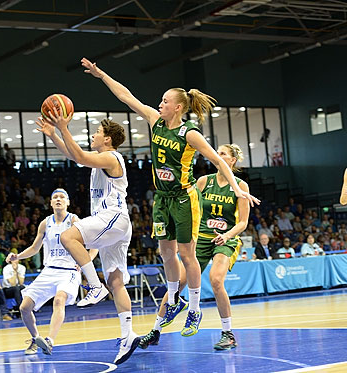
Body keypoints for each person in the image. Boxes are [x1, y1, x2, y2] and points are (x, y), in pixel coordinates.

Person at [80, 58, 259, 340]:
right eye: (160, 101)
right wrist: (101, 75)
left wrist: (237, 189)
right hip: (162, 198)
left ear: (178, 106)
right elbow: (126, 97)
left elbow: (216, 160)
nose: (159, 104)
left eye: (165, 101)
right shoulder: (155, 121)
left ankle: (195, 310)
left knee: (187, 254)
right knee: (165, 253)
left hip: (184, 198)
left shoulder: (190, 133)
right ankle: (176, 298)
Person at [37, 111, 138, 365]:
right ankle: (128, 335)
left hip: (112, 217)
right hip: (114, 224)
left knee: (68, 236)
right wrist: (54, 135)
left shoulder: (111, 157)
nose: (93, 135)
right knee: (116, 281)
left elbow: (80, 155)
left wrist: (63, 127)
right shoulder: (100, 159)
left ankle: (94, 286)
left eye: (97, 133)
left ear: (107, 139)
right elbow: (75, 155)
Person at [139, 144, 250, 351]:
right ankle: (155, 331)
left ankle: (228, 334)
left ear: (233, 160)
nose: (218, 155)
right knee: (177, 283)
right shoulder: (203, 182)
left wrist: (226, 235)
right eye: (217, 152)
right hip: (200, 239)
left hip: (225, 240)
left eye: (223, 153)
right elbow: (189, 209)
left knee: (216, 280)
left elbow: (243, 222)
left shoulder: (241, 186)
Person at [6, 188, 90, 355]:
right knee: (24, 307)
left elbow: (90, 244)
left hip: (68, 271)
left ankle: (50, 341)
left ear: (68, 202)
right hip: (49, 270)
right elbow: (35, 248)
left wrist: (84, 263)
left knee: (59, 300)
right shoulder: (45, 223)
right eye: (55, 197)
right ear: (51, 203)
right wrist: (18, 257)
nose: (58, 199)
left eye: (62, 197)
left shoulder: (74, 220)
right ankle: (36, 339)